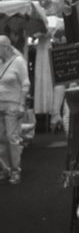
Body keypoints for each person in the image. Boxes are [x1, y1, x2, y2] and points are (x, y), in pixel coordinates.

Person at [0, 34, 31, 184]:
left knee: (12, 139)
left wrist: (22, 104)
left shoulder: (18, 61)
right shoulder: (0, 63)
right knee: (0, 139)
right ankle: (5, 169)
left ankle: (15, 170)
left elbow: (25, 83)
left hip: (13, 104)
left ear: (5, 47)